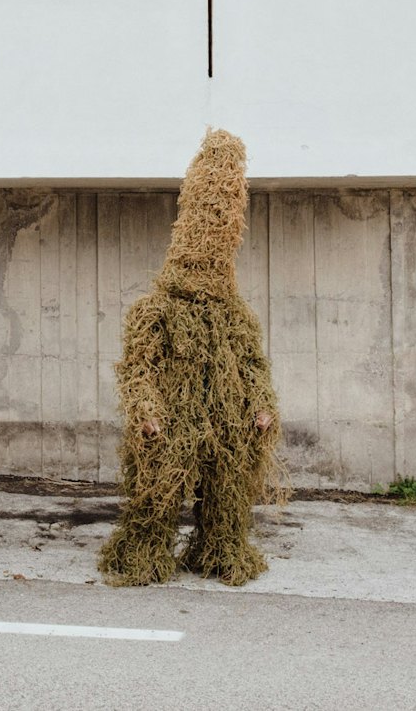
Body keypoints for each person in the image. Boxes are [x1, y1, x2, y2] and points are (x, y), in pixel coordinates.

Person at [98, 129, 283, 587]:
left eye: (211, 264)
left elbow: (252, 364)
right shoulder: (156, 310)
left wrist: (261, 406)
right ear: (179, 257)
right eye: (195, 264)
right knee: (158, 494)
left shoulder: (235, 314)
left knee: (226, 495)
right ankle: (145, 553)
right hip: (172, 423)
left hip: (225, 425)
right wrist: (146, 411)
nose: (202, 275)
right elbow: (138, 368)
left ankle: (220, 551)